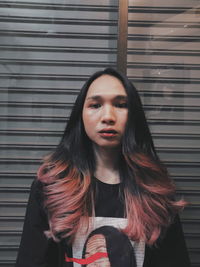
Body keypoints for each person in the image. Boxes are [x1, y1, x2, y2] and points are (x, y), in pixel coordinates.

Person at [15, 67, 190, 267]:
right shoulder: (50, 188)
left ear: (133, 115)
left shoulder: (156, 192)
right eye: (95, 105)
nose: (108, 116)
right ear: (80, 115)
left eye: (121, 105)